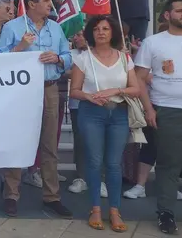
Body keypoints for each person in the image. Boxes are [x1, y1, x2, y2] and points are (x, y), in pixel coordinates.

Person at [0, 0, 72, 219]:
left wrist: (58, 58)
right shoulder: (12, 27)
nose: (51, 4)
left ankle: (52, 197)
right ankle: (11, 194)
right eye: (47, 0)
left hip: (49, 89)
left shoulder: (56, 28)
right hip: (21, 92)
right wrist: (20, 47)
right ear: (32, 4)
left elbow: (69, 57)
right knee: (18, 141)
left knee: (49, 144)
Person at [69, 15, 141, 233]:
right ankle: (95, 209)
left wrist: (115, 91)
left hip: (118, 112)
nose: (101, 32)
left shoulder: (124, 58)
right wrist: (88, 97)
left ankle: (115, 210)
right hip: (91, 113)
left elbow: (136, 88)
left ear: (113, 33)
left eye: (106, 29)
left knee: (113, 163)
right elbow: (74, 91)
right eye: (97, 29)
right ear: (91, 33)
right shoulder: (83, 58)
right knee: (94, 161)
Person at [133, 0, 182, 234]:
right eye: (180, 11)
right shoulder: (153, 42)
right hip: (168, 111)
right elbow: (138, 78)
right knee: (169, 165)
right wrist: (148, 109)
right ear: (168, 15)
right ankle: (166, 213)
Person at [66, 31, 90, 195]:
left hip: (103, 104)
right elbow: (64, 71)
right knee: (81, 142)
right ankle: (81, 177)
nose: (76, 37)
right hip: (78, 105)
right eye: (76, 35)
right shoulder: (71, 55)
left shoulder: (107, 54)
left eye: (81, 34)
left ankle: (100, 178)